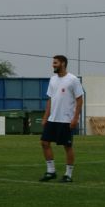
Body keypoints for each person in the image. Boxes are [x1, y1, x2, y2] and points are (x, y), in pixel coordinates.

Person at [39, 55, 84, 183]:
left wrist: (75, 118)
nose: (53, 65)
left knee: (67, 146)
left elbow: (79, 99)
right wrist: (45, 117)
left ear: (63, 63)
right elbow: (50, 99)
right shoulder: (52, 80)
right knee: (44, 143)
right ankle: (51, 171)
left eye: (55, 63)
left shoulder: (73, 79)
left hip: (66, 120)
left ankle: (68, 175)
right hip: (53, 119)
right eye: (53, 63)